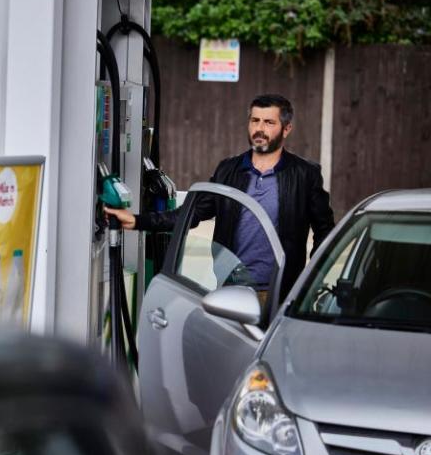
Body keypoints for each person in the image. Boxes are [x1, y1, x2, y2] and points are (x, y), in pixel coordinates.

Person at [105, 94, 335, 302]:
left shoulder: (305, 175)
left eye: (269, 122)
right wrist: (138, 221)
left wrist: (312, 278)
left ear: (286, 129)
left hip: (281, 293)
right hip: (231, 289)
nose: (260, 128)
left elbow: (325, 230)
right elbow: (191, 214)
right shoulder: (228, 171)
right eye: (255, 120)